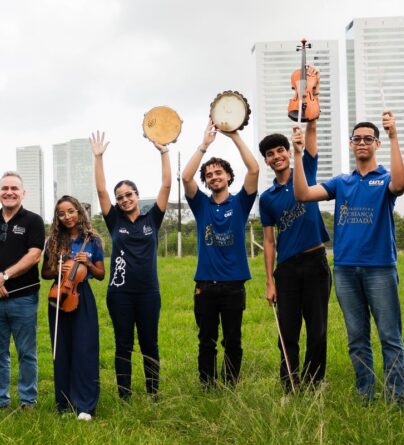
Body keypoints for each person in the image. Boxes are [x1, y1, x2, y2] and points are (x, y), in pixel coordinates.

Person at [293, 111, 404, 403]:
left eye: (369, 139)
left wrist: (393, 136)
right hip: (344, 269)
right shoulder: (341, 182)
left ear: (376, 144)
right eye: (357, 139)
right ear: (350, 144)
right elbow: (303, 194)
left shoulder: (385, 179)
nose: (362, 143)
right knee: (357, 338)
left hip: (379, 268)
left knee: (389, 337)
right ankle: (365, 394)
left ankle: (395, 398)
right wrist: (297, 154)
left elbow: (400, 185)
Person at [258, 71, 331, 392]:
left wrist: (311, 96)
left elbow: (312, 126)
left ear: (288, 152)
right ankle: (290, 384)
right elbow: (269, 240)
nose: (276, 157)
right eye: (270, 154)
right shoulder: (267, 198)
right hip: (286, 269)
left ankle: (315, 385)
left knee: (317, 329)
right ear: (267, 161)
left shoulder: (306, 169)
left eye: (280, 151)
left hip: (315, 262)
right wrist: (270, 280)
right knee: (287, 331)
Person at [91, 130, 170, 400]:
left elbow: (167, 186)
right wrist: (99, 157)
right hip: (120, 293)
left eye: (129, 194)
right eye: (120, 197)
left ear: (137, 195)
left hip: (149, 293)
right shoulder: (115, 222)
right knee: (123, 345)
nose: (125, 199)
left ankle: (153, 393)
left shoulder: (152, 220)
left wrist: (164, 152)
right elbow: (101, 190)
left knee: (150, 344)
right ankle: (124, 396)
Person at [181, 119, 259, 388]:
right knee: (206, 339)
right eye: (210, 175)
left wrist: (234, 136)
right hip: (205, 284)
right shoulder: (201, 205)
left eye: (219, 173)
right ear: (207, 181)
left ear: (228, 176)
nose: (214, 177)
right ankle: (207, 385)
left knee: (233, 339)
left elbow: (254, 168)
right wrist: (204, 145)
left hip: (234, 284)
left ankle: (231, 384)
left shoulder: (240, 202)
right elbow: (186, 177)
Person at [0, 172, 44, 419]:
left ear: (23, 193)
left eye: (14, 188)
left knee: (26, 352)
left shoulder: (33, 220)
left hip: (23, 298)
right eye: (5, 188)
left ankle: (28, 401)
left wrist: (3, 276)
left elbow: (34, 255)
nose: (9, 192)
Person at [41, 195, 105, 420]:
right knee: (62, 350)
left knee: (85, 349)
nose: (66, 217)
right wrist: (56, 265)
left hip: (82, 296)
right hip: (58, 296)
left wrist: (87, 263)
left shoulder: (93, 239)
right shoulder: (54, 240)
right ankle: (65, 403)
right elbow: (45, 273)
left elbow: (100, 274)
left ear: (79, 212)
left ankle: (85, 405)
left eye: (70, 211)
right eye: (61, 213)